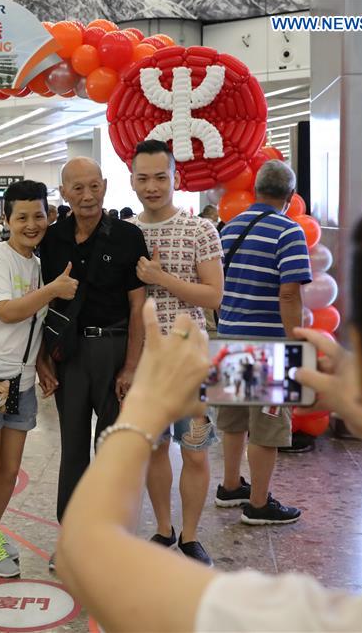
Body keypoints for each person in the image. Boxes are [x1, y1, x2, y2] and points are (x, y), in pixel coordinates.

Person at [56, 170, 362, 633]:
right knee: (250, 430)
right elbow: (286, 290)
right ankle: (243, 497)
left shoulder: (285, 619)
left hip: (227, 346)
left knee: (224, 434)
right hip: (261, 346)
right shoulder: (284, 230)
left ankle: (222, 501)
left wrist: (144, 411)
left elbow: (83, 552)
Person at [0, 181, 79, 578]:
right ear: (6, 220)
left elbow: (35, 325)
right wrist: (54, 290)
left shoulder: (38, 263)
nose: (31, 224)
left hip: (21, 380)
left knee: (10, 472)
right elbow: (8, 312)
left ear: (50, 216)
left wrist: (41, 362)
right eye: (21, 217)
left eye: (38, 215)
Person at [37, 156, 148, 570]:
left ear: (105, 186)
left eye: (93, 186)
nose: (87, 196)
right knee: (72, 449)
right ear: (63, 193)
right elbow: (42, 306)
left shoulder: (127, 236)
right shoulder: (51, 239)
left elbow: (138, 306)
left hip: (115, 349)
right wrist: (41, 359)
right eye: (77, 188)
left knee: (110, 448)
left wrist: (132, 365)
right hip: (69, 354)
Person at [129, 139, 224, 566]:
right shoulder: (127, 231)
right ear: (131, 181)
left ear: (175, 178)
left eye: (159, 177)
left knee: (195, 449)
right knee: (154, 448)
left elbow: (213, 295)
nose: (152, 186)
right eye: (143, 178)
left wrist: (161, 277)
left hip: (191, 359)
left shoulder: (200, 229)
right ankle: (163, 529)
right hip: (145, 362)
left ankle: (190, 535)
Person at [215, 159, 312, 524]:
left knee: (234, 419)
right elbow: (289, 295)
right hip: (268, 343)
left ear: (256, 190)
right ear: (289, 196)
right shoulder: (289, 231)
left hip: (229, 337)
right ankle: (258, 504)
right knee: (267, 426)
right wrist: (296, 346)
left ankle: (229, 487)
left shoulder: (228, 229)